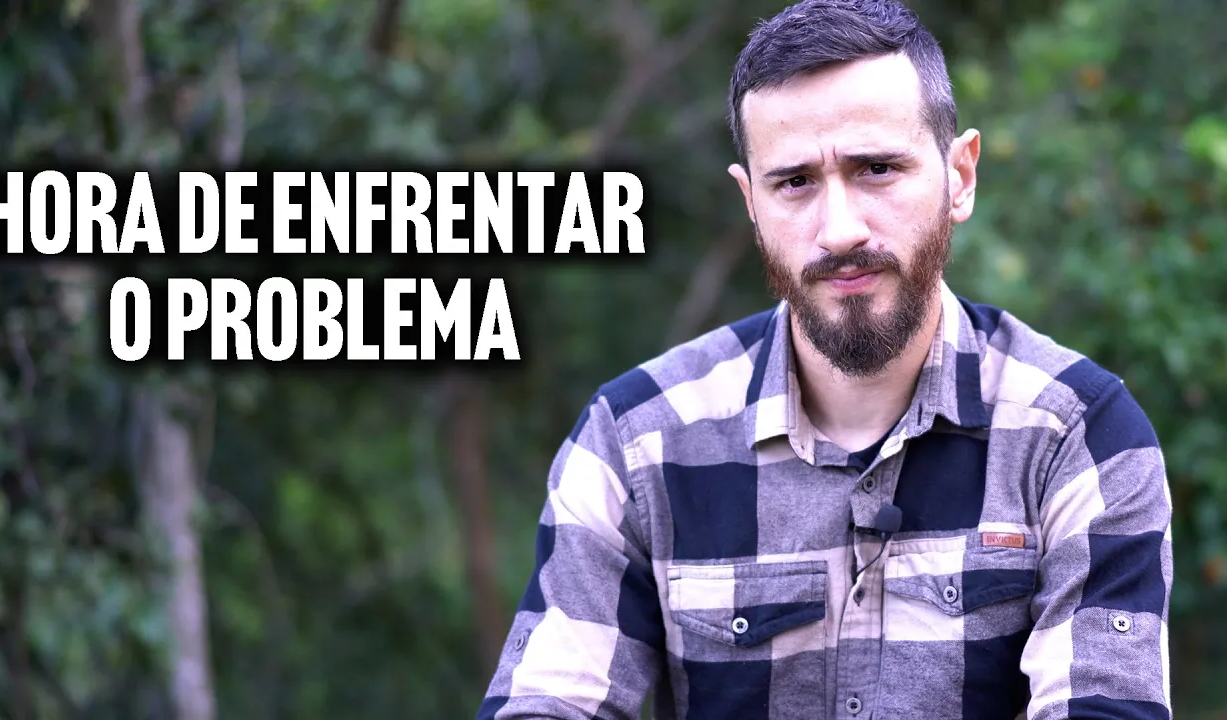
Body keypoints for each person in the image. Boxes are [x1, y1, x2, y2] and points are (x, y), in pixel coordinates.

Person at [477, 0, 1174, 717]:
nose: (840, 230)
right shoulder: (636, 441)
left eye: (877, 168)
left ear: (960, 176)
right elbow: (548, 702)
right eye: (795, 182)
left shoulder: (1079, 434)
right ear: (751, 203)